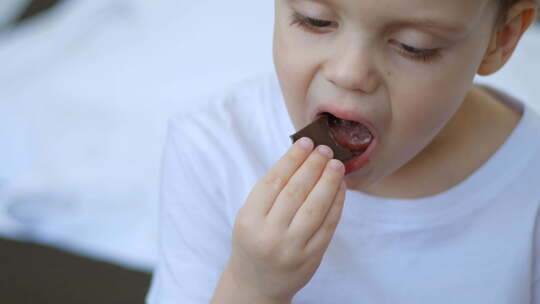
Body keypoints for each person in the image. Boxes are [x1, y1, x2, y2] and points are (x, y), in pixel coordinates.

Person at [146, 0, 540, 303]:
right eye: (314, 19)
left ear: (501, 38)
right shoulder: (214, 148)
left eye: (414, 46)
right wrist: (253, 287)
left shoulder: (530, 189)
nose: (349, 73)